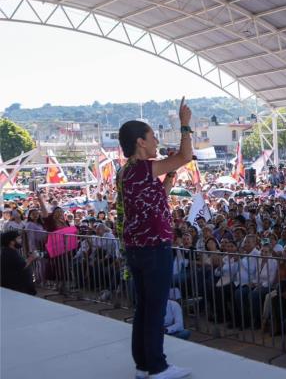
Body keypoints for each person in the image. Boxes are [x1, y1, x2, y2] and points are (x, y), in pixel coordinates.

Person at [116, 102, 193, 379]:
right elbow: (187, 154)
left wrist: (170, 172)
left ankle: (143, 365)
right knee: (156, 307)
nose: (157, 140)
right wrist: (184, 123)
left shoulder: (126, 171)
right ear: (140, 142)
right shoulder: (145, 167)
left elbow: (160, 193)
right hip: (153, 247)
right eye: (153, 136)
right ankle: (158, 367)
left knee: (145, 307)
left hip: (137, 248)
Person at [0, 230, 37, 295]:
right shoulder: (9, 253)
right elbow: (22, 266)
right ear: (11, 242)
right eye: (18, 238)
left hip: (20, 288)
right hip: (17, 289)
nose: (21, 240)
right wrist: (31, 258)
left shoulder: (10, 251)